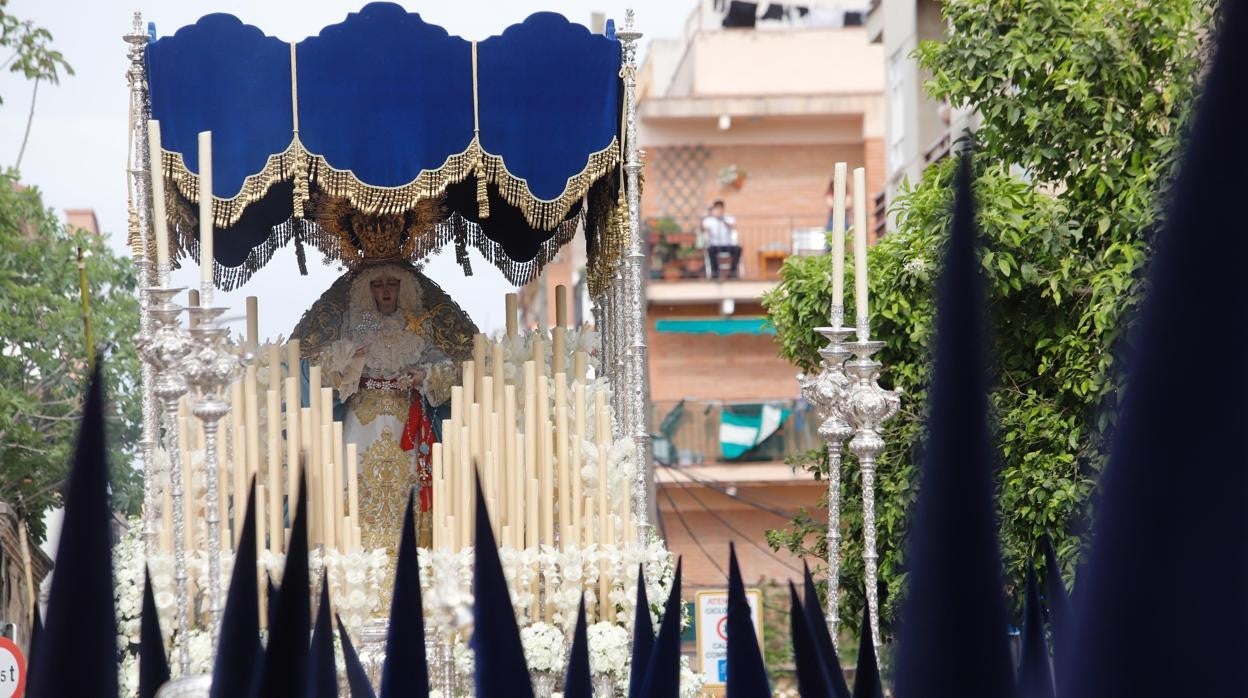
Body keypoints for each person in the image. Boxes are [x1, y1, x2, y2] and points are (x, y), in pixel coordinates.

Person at [317, 263, 459, 552]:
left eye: (391, 284)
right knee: (356, 477)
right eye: (377, 285)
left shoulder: (417, 325)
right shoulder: (358, 326)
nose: (385, 291)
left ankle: (411, 549)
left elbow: (448, 368)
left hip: (406, 417)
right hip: (363, 418)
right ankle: (357, 551)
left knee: (408, 480)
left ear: (402, 288)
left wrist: (425, 376)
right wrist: (347, 359)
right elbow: (329, 368)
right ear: (368, 290)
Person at [701, 200, 741, 279]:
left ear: (723, 209)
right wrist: (707, 215)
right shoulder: (709, 220)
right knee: (710, 250)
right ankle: (715, 274)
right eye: (717, 208)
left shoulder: (728, 217)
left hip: (727, 244)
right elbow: (703, 229)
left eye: (720, 208)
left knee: (738, 249)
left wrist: (722, 219)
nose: (719, 210)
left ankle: (732, 273)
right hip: (715, 245)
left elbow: (732, 226)